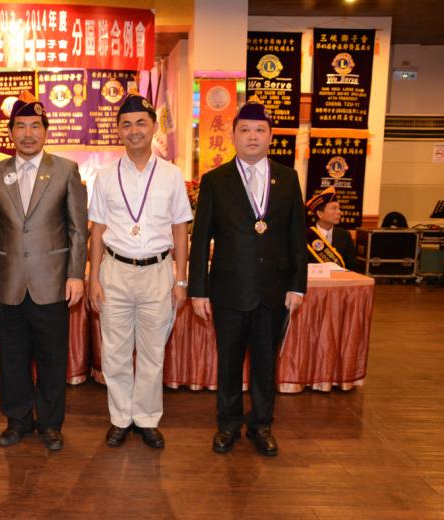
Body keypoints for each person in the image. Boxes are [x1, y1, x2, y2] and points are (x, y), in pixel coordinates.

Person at [188, 102, 307, 457]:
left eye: (259, 130)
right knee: (228, 361)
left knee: (266, 363)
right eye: (245, 130)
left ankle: (261, 424)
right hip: (228, 290)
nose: (252, 137)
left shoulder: (288, 179)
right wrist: (198, 291)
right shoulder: (215, 181)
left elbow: (297, 237)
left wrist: (297, 285)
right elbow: (200, 239)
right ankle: (227, 424)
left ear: (270, 136)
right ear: (233, 136)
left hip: (274, 290)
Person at [0, 96, 88, 451]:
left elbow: (77, 228)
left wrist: (75, 274)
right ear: (10, 132)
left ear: (45, 132)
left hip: (52, 282)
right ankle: (18, 421)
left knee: (52, 357)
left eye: (35, 127)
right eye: (21, 127)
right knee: (12, 357)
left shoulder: (66, 170)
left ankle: (51, 424)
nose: (28, 134)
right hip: (9, 283)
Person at [88, 94, 192, 449]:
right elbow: (97, 231)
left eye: (141, 123)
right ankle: (120, 418)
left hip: (158, 273)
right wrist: (94, 279)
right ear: (118, 130)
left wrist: (181, 279)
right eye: (126, 124)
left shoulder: (172, 176)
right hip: (114, 272)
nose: (134, 130)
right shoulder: (105, 176)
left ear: (154, 127)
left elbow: (180, 229)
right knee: (114, 353)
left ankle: (146, 418)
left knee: (152, 353)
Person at [305, 186, 357, 270]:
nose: (339, 212)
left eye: (339, 208)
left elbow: (352, 267)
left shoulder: (345, 235)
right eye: (334, 208)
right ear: (320, 214)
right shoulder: (306, 236)